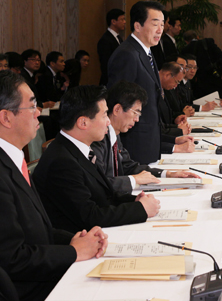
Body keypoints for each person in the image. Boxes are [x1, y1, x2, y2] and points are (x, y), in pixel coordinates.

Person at [0, 71, 108, 301]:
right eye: (31, 107)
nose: (38, 113)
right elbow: (12, 258)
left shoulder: (12, 159)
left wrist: (77, 238)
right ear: (6, 118)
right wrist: (73, 251)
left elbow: (37, 230)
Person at [32, 85, 160, 233]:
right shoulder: (61, 161)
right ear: (83, 123)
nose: (108, 122)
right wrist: (140, 209)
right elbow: (89, 216)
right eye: (105, 114)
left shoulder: (80, 149)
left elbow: (105, 196)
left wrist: (135, 201)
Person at [92, 80, 199, 195]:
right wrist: (135, 179)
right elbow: (99, 184)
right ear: (117, 109)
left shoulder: (114, 135)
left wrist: (167, 174)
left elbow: (128, 166)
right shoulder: (97, 139)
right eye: (135, 113)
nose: (137, 120)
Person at [107, 0, 165, 164]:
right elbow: (117, 104)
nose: (160, 30)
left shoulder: (145, 52)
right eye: (155, 24)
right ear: (137, 26)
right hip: (134, 144)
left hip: (148, 142)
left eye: (162, 24)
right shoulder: (127, 54)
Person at [181, 30, 222, 99]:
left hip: (199, 84)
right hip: (214, 79)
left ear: (186, 41)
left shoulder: (185, 50)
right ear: (197, 37)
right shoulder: (208, 42)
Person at [158, 62, 190, 137]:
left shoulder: (163, 87)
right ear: (167, 75)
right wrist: (178, 130)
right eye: (177, 82)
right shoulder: (151, 88)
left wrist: (175, 120)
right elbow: (154, 126)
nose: (176, 86)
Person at [97, 8, 125, 86]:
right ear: (113, 21)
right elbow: (106, 65)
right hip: (110, 83)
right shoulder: (105, 40)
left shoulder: (119, 38)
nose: (124, 22)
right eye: (122, 19)